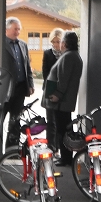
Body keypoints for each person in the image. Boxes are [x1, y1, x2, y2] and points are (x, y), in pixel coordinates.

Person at [46, 31, 83, 167]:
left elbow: (63, 79)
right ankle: (66, 157)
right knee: (64, 128)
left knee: (63, 130)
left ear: (65, 43)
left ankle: (66, 158)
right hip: (65, 100)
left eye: (61, 41)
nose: (60, 44)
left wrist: (58, 94)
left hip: (62, 101)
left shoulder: (68, 57)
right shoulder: (73, 55)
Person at [2, 17, 34, 148]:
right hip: (5, 90)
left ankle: (12, 150)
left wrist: (30, 84)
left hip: (20, 89)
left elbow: (27, 67)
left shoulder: (23, 45)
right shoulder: (1, 43)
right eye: (15, 29)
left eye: (19, 29)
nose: (18, 32)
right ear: (7, 29)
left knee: (16, 121)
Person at [42, 27, 64, 153]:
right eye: (54, 42)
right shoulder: (47, 54)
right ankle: (51, 147)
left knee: (61, 121)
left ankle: (60, 147)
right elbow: (45, 73)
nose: (56, 44)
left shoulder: (66, 55)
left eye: (58, 41)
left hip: (63, 91)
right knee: (51, 121)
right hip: (50, 88)